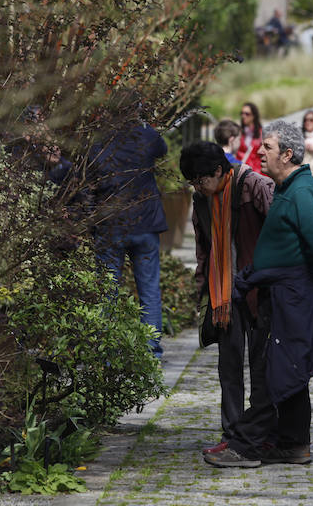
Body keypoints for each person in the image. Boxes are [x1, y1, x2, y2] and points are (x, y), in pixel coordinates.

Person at [204, 121, 313, 468]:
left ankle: (245, 444)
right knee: (290, 369)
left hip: (291, 296)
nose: (259, 151)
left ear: (287, 154)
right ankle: (293, 444)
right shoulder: (289, 189)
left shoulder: (301, 192)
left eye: (267, 147)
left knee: (278, 372)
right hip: (280, 293)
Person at [180, 141, 274, 455]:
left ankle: (260, 434)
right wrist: (202, 290)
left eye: (200, 180)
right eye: (192, 182)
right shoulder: (201, 200)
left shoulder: (253, 185)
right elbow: (203, 248)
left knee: (261, 367)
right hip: (223, 294)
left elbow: (280, 233)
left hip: (259, 290)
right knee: (229, 367)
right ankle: (232, 434)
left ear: (219, 171)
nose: (197, 187)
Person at [87, 120, 168, 359]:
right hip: (145, 222)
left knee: (107, 291)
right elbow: (162, 149)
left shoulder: (99, 140)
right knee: (149, 289)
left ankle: (106, 354)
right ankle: (151, 352)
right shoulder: (146, 134)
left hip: (111, 225)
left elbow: (90, 176)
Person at [236, 102, 263, 174]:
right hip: (242, 171)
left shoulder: (261, 133)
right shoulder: (238, 132)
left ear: (254, 116)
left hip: (257, 172)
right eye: (242, 113)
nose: (243, 116)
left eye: (247, 114)